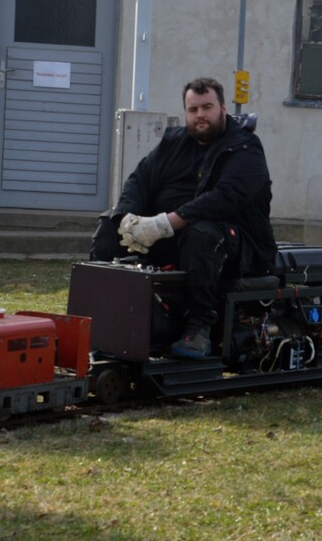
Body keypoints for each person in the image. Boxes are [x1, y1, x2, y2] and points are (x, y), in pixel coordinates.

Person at [89, 77, 277, 359]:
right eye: (193, 109)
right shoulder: (173, 142)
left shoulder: (245, 148)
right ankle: (95, 318)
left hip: (235, 245)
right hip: (170, 236)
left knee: (202, 233)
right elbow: (141, 178)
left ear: (223, 108)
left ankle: (198, 328)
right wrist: (127, 219)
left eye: (207, 107)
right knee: (108, 229)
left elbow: (224, 199)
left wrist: (164, 224)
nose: (200, 115)